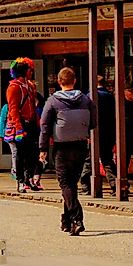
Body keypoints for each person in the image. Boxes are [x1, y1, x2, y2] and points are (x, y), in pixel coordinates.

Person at [39, 67, 94, 236]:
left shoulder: (53, 101)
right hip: (80, 145)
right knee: (71, 184)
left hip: (61, 146)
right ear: (74, 81)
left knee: (65, 183)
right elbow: (94, 121)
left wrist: (42, 148)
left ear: (59, 81)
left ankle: (77, 219)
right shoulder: (85, 100)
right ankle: (67, 220)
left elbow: (45, 125)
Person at [5, 58, 42, 193]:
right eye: (30, 70)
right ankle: (20, 181)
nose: (31, 72)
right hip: (21, 124)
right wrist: (19, 128)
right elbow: (13, 109)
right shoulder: (14, 87)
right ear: (24, 71)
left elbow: (33, 106)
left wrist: (38, 123)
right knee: (21, 154)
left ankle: (29, 178)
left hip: (31, 123)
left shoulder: (30, 86)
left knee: (33, 154)